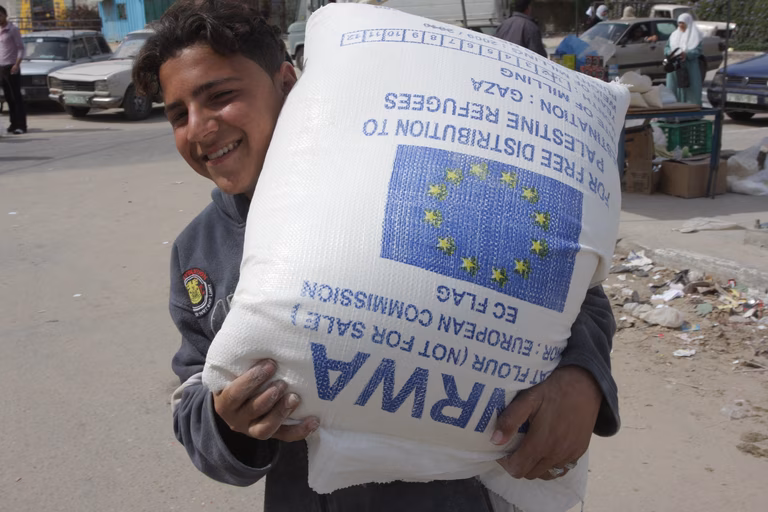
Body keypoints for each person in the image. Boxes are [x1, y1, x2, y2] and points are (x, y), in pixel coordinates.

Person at [133, 0, 619, 510]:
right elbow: (192, 401)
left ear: (286, 82)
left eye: (221, 96)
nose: (200, 128)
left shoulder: (388, 181)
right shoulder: (199, 251)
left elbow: (574, 293)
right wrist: (226, 423)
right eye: (178, 115)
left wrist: (582, 377)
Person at [665, 13, 704, 105]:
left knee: (691, 89)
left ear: (688, 23)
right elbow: (666, 47)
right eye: (679, 23)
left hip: (690, 67)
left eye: (683, 23)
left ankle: (691, 113)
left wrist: (687, 54)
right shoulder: (674, 35)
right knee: (673, 89)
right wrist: (669, 53)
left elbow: (698, 50)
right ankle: (673, 115)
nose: (681, 25)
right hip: (675, 67)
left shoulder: (695, 36)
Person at [0, 5, 27, 134]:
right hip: (1, 67)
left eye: (0, 15)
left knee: (16, 97)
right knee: (8, 97)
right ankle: (13, 123)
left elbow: (21, 48)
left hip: (11, 66)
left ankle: (21, 126)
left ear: (5, 15)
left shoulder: (13, 29)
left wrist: (16, 64)